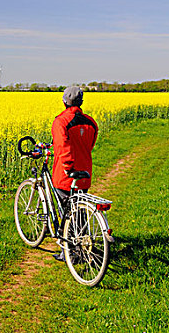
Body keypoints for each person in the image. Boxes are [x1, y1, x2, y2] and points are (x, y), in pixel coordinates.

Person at [51, 86, 98, 261]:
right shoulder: (91, 122)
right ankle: (81, 247)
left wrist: (68, 168)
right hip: (84, 173)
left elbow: (63, 149)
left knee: (67, 212)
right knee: (79, 210)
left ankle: (69, 252)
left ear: (64, 101)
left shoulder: (61, 122)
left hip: (66, 175)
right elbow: (89, 145)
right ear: (81, 102)